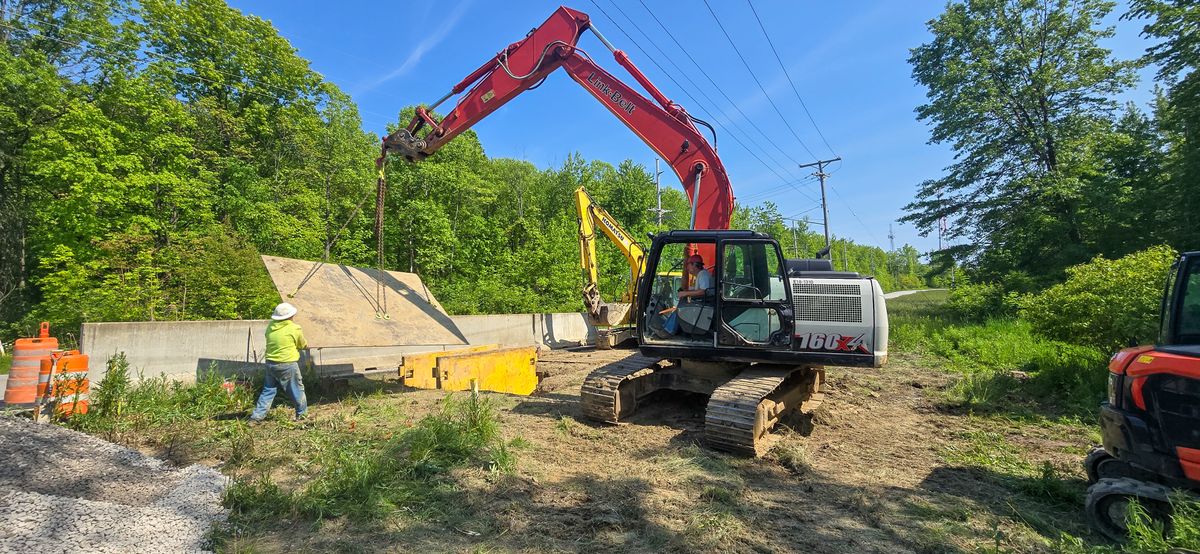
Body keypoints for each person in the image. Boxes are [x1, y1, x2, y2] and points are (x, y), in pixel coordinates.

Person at [250, 302, 309, 422]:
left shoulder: (271, 326)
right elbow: (302, 344)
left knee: (268, 390)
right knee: (297, 389)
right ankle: (302, 415)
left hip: (271, 363)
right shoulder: (294, 328)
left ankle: (256, 417)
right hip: (287, 364)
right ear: (291, 315)